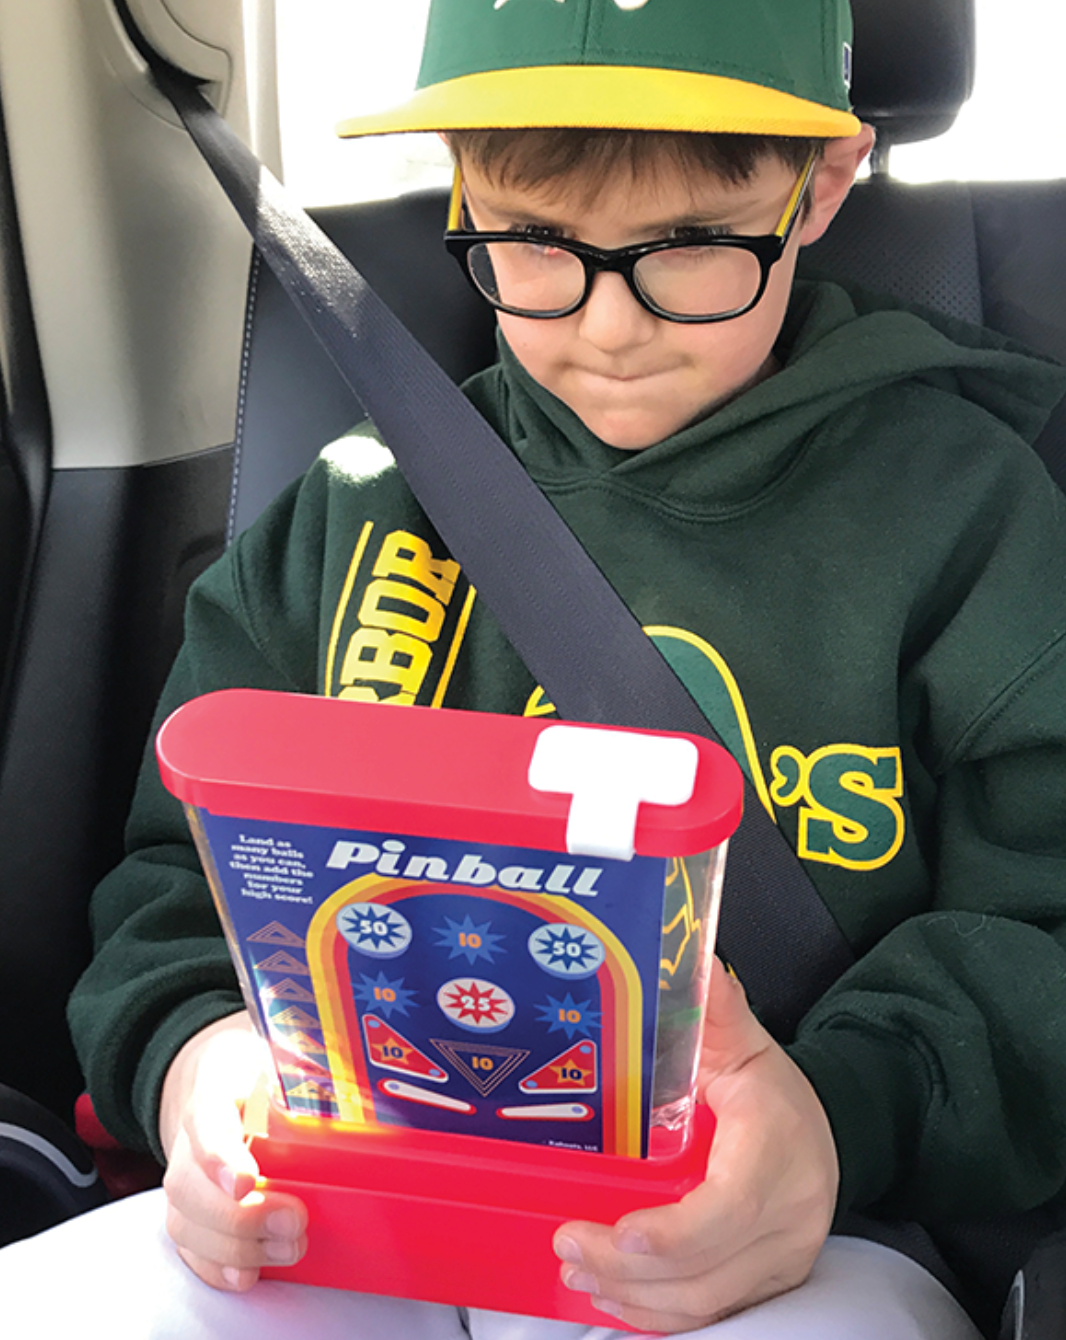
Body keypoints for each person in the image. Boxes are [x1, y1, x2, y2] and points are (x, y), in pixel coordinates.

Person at [3, 0, 1065, 1337]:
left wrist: (839, 1117)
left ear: (817, 186)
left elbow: (1043, 925)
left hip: (781, 1211)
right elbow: (177, 883)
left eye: (687, 250)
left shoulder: (960, 512)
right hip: (353, 1189)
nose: (608, 327)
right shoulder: (353, 509)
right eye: (529, 241)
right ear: (462, 187)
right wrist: (198, 1063)